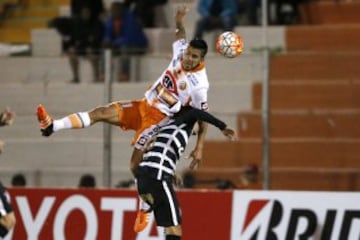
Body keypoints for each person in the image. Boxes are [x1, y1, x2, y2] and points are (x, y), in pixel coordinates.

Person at [37, 4, 210, 231]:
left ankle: (145, 208)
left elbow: (202, 116)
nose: (188, 59)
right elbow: (180, 34)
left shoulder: (200, 85)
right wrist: (179, 21)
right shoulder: (180, 54)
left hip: (157, 121)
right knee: (101, 112)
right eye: (188, 53)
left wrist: (199, 148)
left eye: (194, 57)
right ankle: (52, 126)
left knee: (134, 165)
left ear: (201, 58)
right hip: (142, 106)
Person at [134, 106, 236, 238]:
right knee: (175, 229)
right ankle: (145, 207)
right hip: (157, 176)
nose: (199, 129)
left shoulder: (167, 127)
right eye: (198, 125)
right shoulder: (182, 120)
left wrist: (171, 173)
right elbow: (197, 113)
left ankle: (144, 206)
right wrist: (222, 127)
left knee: (170, 226)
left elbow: (156, 154)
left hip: (146, 175)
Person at [102, 1, 148, 82]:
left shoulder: (130, 19)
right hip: (119, 44)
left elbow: (130, 38)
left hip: (137, 45)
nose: (114, 11)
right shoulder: (111, 20)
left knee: (125, 49)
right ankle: (104, 73)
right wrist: (107, 42)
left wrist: (114, 43)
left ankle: (124, 74)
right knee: (105, 50)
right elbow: (107, 34)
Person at [66, 6, 104, 83]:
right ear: (81, 14)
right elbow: (75, 38)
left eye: (87, 13)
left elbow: (97, 38)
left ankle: (96, 77)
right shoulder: (78, 24)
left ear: (90, 13)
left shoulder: (96, 23)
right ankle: (76, 77)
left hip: (94, 48)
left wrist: (91, 45)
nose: (86, 15)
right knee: (71, 53)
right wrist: (73, 47)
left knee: (92, 54)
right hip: (82, 47)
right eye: (84, 13)